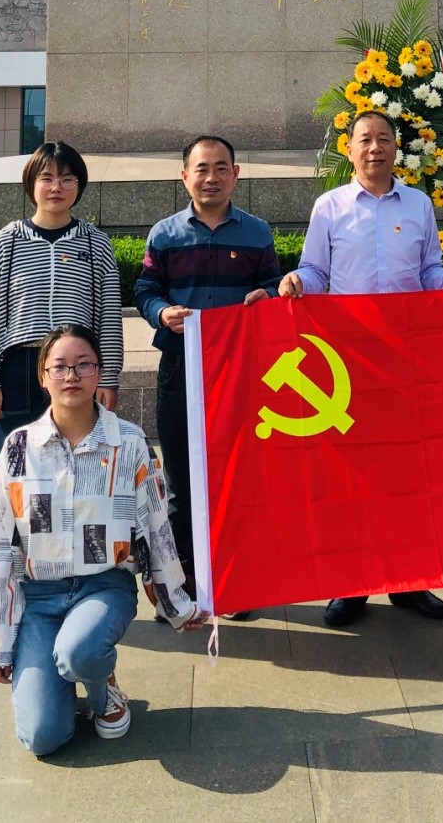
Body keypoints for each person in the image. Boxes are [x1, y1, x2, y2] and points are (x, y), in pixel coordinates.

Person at [279, 108, 443, 627]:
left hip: (407, 358)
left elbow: (430, 271)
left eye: (384, 139)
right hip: (349, 361)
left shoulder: (418, 204)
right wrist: (298, 282)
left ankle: (410, 580)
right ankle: (351, 584)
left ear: (397, 148)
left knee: (410, 471)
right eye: (365, 139)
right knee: (353, 475)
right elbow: (315, 270)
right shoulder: (329, 206)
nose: (375, 148)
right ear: (349, 149)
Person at [0, 324, 205, 756]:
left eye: (84, 365)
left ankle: (101, 687)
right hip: (39, 598)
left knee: (79, 652)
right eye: (59, 366)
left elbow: (156, 529)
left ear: (99, 372)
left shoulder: (129, 442)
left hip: (104, 587)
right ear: (42, 376)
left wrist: (177, 603)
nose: (72, 376)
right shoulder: (19, 447)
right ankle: (65, 673)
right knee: (42, 738)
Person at [133, 135, 280, 612]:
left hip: (240, 372)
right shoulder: (165, 234)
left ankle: (233, 580)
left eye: (220, 168)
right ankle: (183, 586)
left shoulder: (257, 233)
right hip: (181, 367)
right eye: (201, 168)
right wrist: (161, 313)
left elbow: (274, 282)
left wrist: (268, 296)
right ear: (185, 176)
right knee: (181, 482)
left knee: (236, 480)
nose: (211, 177)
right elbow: (145, 289)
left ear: (236, 174)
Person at [0, 142, 123, 461]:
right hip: (19, 369)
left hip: (76, 368)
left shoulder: (96, 244)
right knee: (17, 466)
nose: (56, 187)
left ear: (79, 186)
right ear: (31, 184)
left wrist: (108, 377)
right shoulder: (6, 242)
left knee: (77, 463)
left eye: (67, 179)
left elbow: (108, 316)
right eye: (47, 178)